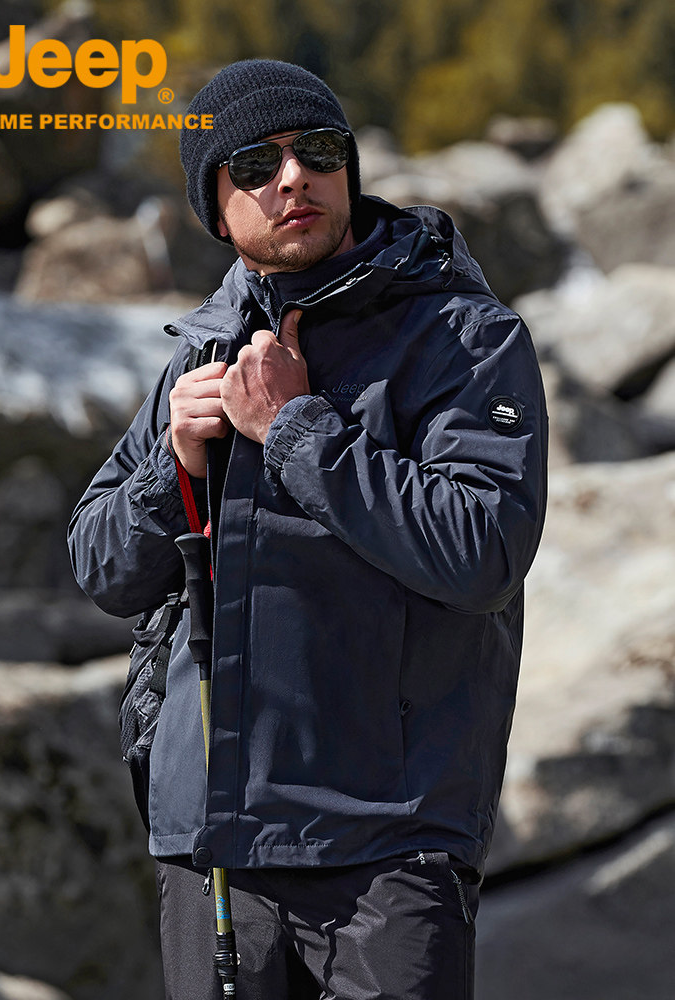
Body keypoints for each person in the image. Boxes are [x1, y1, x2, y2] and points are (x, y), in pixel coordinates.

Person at [68, 59, 548, 1000]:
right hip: (212, 845)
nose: (294, 177)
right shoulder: (200, 356)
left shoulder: (464, 336)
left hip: (390, 841)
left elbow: (481, 550)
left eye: (318, 151)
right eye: (256, 164)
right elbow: (101, 569)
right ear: (215, 208)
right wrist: (175, 467)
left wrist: (294, 429)